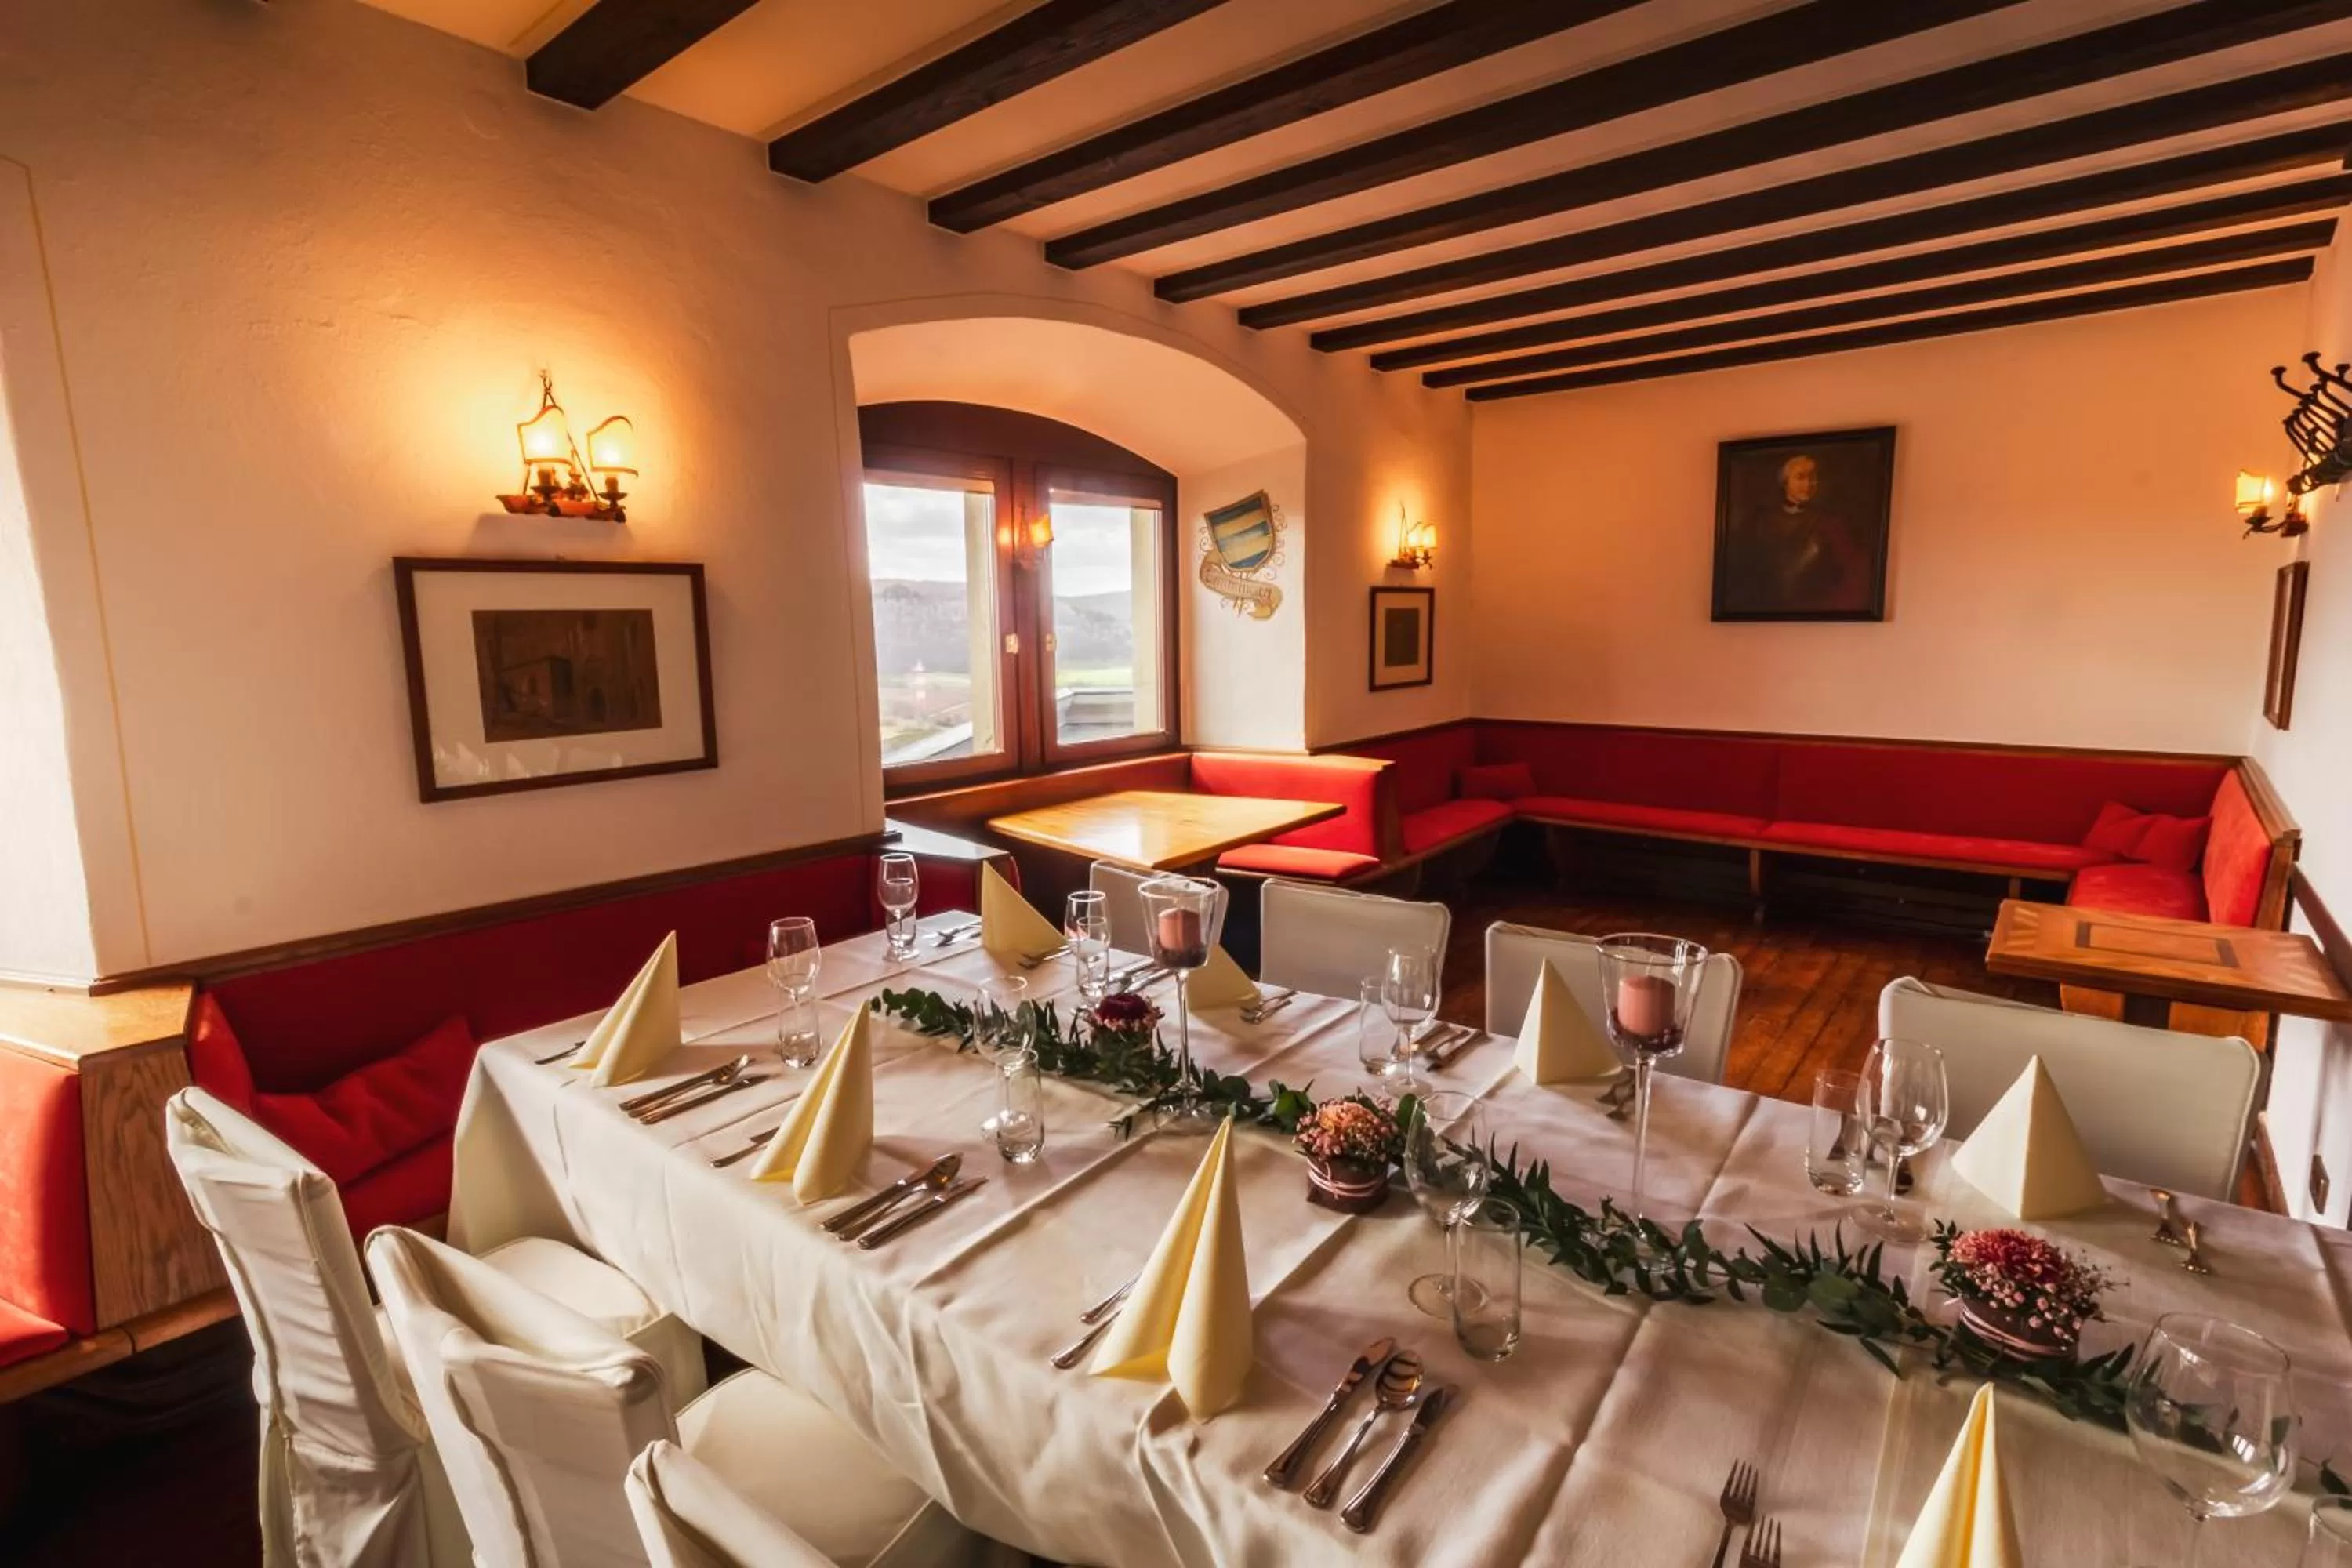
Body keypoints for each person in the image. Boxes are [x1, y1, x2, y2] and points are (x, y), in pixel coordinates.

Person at [1722, 452, 1875, 615]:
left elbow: (1851, 569)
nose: (1808, 484)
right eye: (1801, 477)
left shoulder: (1829, 522)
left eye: (1813, 478)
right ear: (1785, 481)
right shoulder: (1760, 521)